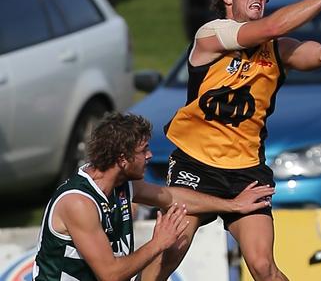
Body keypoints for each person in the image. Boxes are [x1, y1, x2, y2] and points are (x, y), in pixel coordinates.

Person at [142, 0, 321, 281]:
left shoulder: (277, 50)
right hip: (196, 164)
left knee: (263, 266)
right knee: (171, 250)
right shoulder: (212, 34)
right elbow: (273, 26)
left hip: (246, 170)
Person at [32, 112, 274, 281]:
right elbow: (111, 275)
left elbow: (170, 196)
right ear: (122, 159)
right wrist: (158, 243)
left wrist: (232, 205)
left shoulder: (123, 185)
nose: (149, 155)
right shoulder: (79, 203)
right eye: (143, 150)